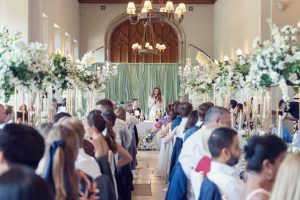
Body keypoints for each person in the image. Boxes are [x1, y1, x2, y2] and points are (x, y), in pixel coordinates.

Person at [168, 106, 231, 200]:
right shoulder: (202, 142)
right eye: (228, 123)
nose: (230, 127)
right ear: (217, 121)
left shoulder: (202, 136)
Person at [199, 127, 243, 200]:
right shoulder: (230, 184)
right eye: (236, 147)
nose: (240, 151)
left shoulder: (211, 174)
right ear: (225, 153)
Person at [242, 135, 287, 200]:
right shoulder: (261, 197)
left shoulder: (253, 180)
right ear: (267, 165)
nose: (286, 165)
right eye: (282, 160)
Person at [168, 102, 193, 181]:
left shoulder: (179, 122)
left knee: (176, 165)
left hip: (178, 144)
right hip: (183, 144)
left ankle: (173, 182)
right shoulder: (189, 122)